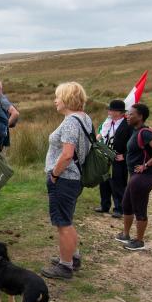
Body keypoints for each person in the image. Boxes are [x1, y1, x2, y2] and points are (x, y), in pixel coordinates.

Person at [39, 82, 92, 280]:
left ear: (68, 99)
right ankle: (72, 256)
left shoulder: (70, 121)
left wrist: (54, 175)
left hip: (64, 178)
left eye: (58, 96)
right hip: (74, 178)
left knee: (63, 223)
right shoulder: (84, 118)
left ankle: (65, 266)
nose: (55, 100)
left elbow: (67, 154)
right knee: (67, 220)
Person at [115, 103, 152, 251]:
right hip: (136, 176)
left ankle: (139, 241)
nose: (127, 116)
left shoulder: (144, 133)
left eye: (131, 114)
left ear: (140, 116)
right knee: (126, 204)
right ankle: (125, 235)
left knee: (140, 208)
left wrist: (147, 165)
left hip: (144, 177)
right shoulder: (136, 130)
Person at [94, 99, 131, 218]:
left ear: (119, 112)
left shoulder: (128, 125)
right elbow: (102, 136)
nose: (109, 112)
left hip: (119, 159)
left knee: (118, 183)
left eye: (111, 110)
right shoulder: (108, 123)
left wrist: (125, 156)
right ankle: (104, 205)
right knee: (104, 181)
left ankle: (119, 208)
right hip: (105, 157)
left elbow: (133, 144)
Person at [0, 80, 20, 150]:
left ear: (0, 89)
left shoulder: (2, 100)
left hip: (0, 136)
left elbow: (15, 113)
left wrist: (5, 126)